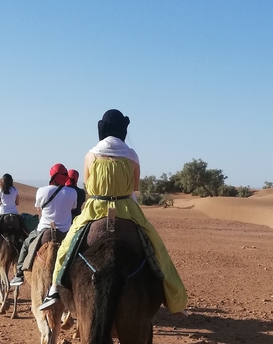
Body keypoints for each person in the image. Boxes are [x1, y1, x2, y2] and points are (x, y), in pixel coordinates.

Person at [39, 109, 187, 312]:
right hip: (127, 208)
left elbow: (89, 186)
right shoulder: (132, 154)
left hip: (96, 209)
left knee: (68, 245)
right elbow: (135, 186)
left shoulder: (90, 155)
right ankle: (172, 296)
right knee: (156, 247)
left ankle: (55, 289)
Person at [9, 163, 77, 286]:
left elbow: (38, 209)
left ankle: (19, 274)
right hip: (66, 232)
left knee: (26, 244)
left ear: (52, 176)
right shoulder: (72, 192)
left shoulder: (42, 190)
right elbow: (73, 208)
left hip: (44, 230)